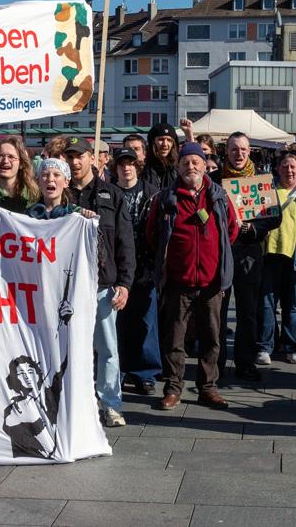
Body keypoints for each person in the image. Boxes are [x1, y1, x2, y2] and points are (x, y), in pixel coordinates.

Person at [145, 142, 239, 409]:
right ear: (178, 166)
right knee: (174, 339)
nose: (191, 167)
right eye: (185, 162)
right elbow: (153, 235)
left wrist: (214, 263)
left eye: (195, 162)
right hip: (177, 282)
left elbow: (230, 231)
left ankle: (208, 387)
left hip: (211, 283)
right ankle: (173, 388)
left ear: (204, 165)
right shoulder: (166, 198)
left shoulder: (218, 196)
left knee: (211, 338)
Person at [63, 137, 135, 427]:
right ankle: (76, 401)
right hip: (67, 286)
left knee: (107, 348)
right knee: (71, 347)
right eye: (70, 157)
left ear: (92, 158)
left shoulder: (112, 194)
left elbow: (125, 241)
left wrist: (125, 282)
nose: (75, 162)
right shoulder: (60, 194)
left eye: (79, 156)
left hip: (103, 285)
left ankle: (111, 404)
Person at [219, 132, 278, 381]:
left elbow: (274, 217)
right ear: (227, 152)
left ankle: (245, 363)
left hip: (249, 251)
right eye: (234, 149)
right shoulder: (214, 179)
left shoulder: (261, 181)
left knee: (248, 311)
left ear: (249, 151)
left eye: (243, 149)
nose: (239, 154)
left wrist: (254, 229)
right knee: (218, 311)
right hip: (221, 251)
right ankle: (217, 364)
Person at [112, 148, 161, 395]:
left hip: (145, 268)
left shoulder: (152, 194)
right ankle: (119, 370)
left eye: (130, 163)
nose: (126, 168)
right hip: (116, 268)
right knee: (118, 323)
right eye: (122, 164)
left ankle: (146, 373)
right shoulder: (108, 192)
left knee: (146, 322)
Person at [259, 150, 296, 365]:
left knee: (294, 305)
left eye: (293, 166)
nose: (289, 170)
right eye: (284, 166)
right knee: (266, 303)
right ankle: (265, 347)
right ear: (277, 168)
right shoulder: (265, 189)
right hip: (269, 254)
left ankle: (291, 347)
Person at [141, 122, 179, 191]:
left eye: (169, 140)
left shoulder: (178, 169)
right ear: (153, 142)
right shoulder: (143, 169)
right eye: (161, 139)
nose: (165, 144)